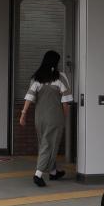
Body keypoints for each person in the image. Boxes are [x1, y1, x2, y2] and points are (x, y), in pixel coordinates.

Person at [18, 50, 72, 187]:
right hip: (55, 117)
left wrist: (23, 114)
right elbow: (66, 101)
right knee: (50, 144)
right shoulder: (60, 77)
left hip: (39, 117)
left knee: (45, 143)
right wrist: (64, 117)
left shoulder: (37, 78)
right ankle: (38, 174)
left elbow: (29, 97)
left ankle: (53, 172)